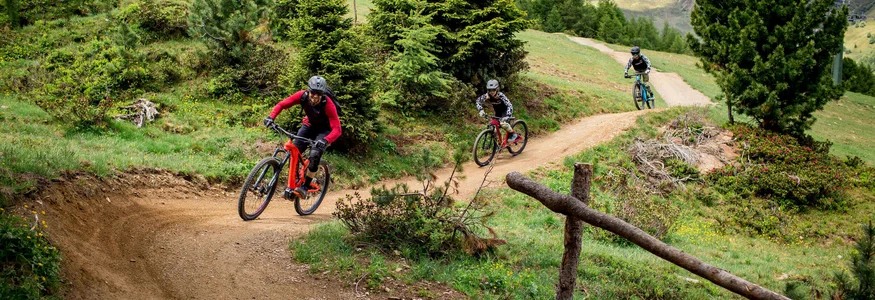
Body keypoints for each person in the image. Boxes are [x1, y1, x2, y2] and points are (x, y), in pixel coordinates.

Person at [263, 76, 341, 199]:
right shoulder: (302, 96)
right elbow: (282, 104)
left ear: (322, 94)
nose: (315, 96)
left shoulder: (328, 104)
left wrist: (325, 140)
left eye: (319, 94)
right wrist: (271, 117)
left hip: (324, 130)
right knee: (294, 151)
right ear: (308, 91)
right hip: (309, 125)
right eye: (313, 92)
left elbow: (337, 129)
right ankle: (292, 185)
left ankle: (305, 186)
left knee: (315, 154)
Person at [475, 79, 520, 143]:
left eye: (493, 90)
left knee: (503, 123)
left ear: (497, 89)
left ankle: (513, 134)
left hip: (505, 112)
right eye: (490, 90)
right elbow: (478, 101)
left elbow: (509, 105)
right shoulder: (487, 96)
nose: (492, 92)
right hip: (498, 113)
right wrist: (481, 110)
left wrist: (508, 115)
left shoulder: (501, 95)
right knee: (493, 128)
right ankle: (497, 145)